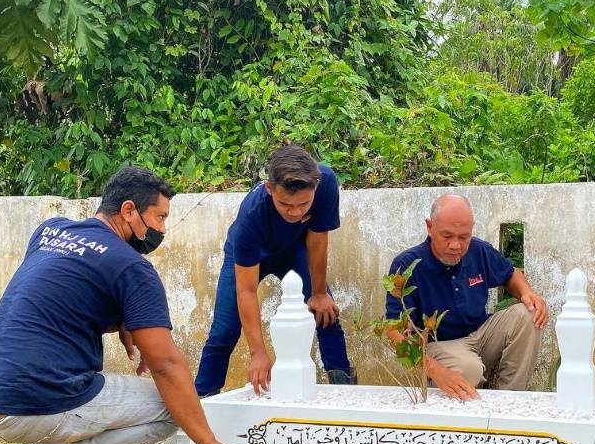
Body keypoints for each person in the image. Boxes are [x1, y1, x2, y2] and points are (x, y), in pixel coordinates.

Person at [0, 167, 264, 444]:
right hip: (30, 400)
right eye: (160, 217)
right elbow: (165, 366)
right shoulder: (132, 268)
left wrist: (124, 320)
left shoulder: (50, 231)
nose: (163, 229)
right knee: (171, 407)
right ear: (129, 210)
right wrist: (209, 443)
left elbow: (65, 292)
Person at [194, 144, 355, 397]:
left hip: (295, 250)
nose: (295, 212)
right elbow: (246, 290)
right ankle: (201, 400)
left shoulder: (326, 184)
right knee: (224, 330)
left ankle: (345, 391)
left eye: (303, 204)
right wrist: (258, 352)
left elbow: (317, 239)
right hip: (251, 256)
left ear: (316, 185)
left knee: (325, 312)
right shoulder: (251, 214)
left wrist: (320, 293)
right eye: (285, 205)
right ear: (269, 189)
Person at [385, 194, 548, 401]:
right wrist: (436, 371)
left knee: (529, 313)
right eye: (447, 236)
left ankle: (509, 399)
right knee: (467, 370)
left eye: (463, 237)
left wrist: (527, 293)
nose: (456, 245)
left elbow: (510, 274)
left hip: (481, 334)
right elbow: (393, 331)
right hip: (440, 345)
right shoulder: (406, 265)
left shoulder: (478, 250)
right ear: (429, 227)